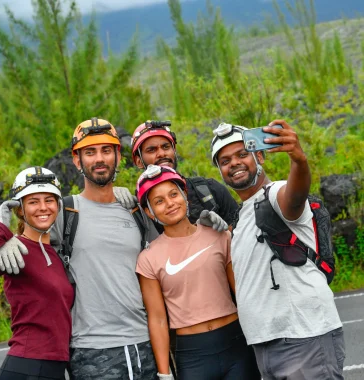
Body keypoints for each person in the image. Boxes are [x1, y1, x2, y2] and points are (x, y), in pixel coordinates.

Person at [0, 118, 159, 380]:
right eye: (90, 152)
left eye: (106, 150)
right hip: (89, 349)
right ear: (76, 160)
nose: (99, 159)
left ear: (118, 155)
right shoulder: (64, 212)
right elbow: (32, 228)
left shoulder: (135, 211)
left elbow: (165, 258)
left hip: (143, 342)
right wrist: (5, 238)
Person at [211, 120, 345, 380]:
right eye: (225, 161)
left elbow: (294, 197)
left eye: (241, 154)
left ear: (259, 155)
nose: (234, 163)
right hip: (267, 346)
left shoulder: (274, 194)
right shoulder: (240, 219)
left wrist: (299, 161)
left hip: (304, 337)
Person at [135, 164, 261, 380]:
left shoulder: (218, 235)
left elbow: (242, 293)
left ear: (185, 195)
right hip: (193, 356)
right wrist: (164, 373)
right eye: (159, 201)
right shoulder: (148, 258)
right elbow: (157, 319)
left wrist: (261, 341)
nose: (169, 203)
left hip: (236, 344)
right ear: (149, 211)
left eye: (174, 194)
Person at [0, 167, 74, 380]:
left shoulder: (58, 252)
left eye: (49, 200)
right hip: (27, 366)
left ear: (58, 205)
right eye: (33, 201)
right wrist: (0, 230)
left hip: (55, 367)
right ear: (20, 209)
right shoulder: (14, 251)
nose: (43, 208)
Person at [131, 120, 238, 227]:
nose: (161, 153)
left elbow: (242, 234)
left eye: (166, 147)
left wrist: (222, 234)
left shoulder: (210, 190)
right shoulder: (139, 213)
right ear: (138, 161)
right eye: (151, 150)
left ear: (174, 151)